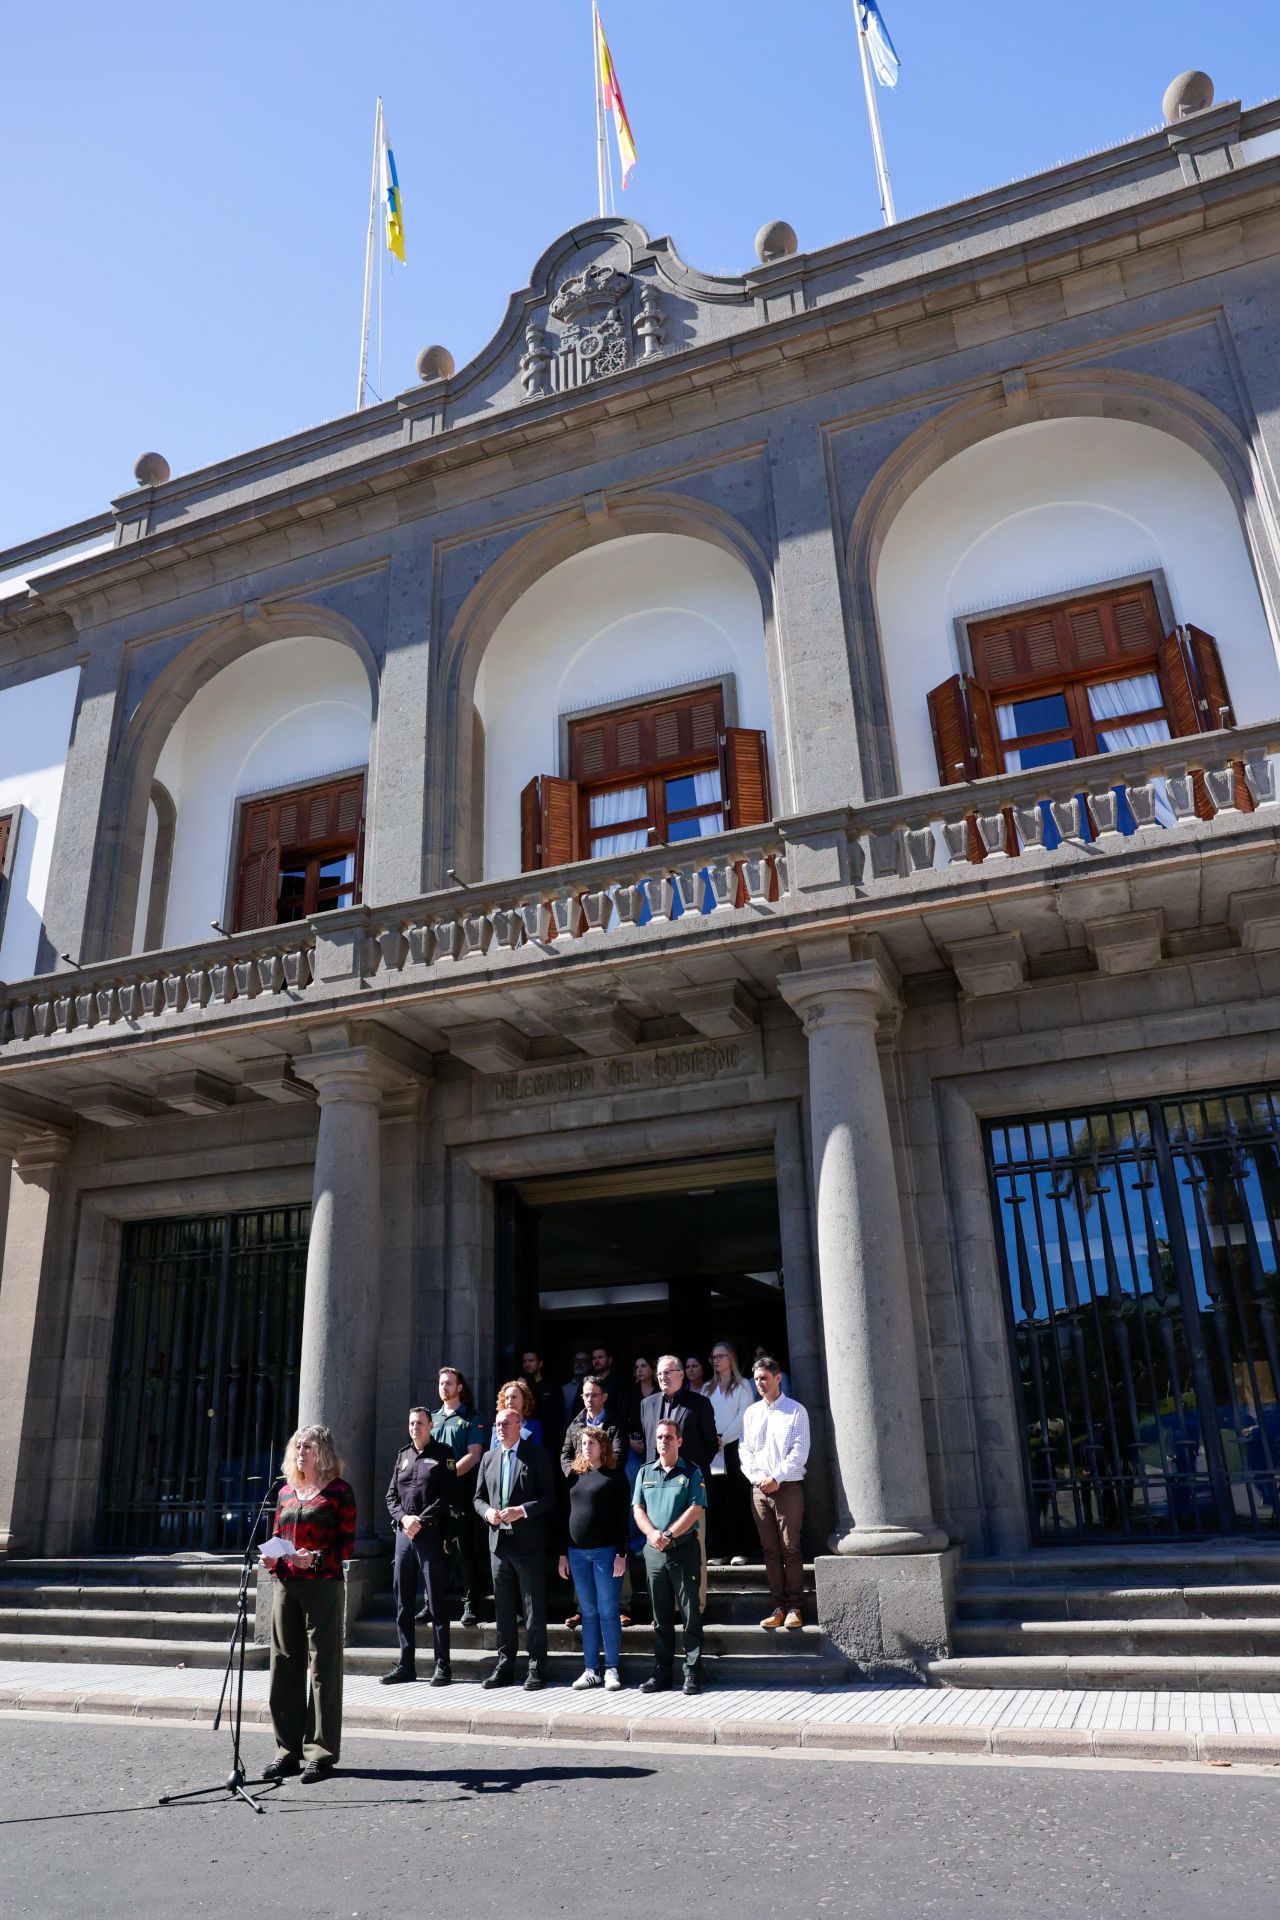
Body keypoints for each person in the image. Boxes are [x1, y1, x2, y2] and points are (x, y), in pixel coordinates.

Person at [262, 1425, 355, 1784]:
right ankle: (286, 1752)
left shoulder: (339, 1492)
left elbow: (347, 1545)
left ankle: (320, 1753)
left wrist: (314, 1558)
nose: (301, 1452)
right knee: (283, 1665)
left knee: (323, 1667)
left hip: (323, 1585)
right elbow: (276, 1536)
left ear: (323, 1453)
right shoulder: (285, 1492)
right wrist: (272, 1559)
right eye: (298, 1446)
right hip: (285, 1584)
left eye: (309, 1447)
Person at [474, 1404, 556, 1690]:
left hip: (528, 1543)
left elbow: (549, 1497)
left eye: (506, 1424)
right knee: (504, 1608)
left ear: (519, 1425)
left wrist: (522, 1510)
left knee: (533, 1607)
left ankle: (536, 1667)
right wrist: (486, 1513)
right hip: (499, 1543)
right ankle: (505, 1665)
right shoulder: (488, 1458)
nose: (500, 1428)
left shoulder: (537, 1455)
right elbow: (478, 1498)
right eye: (498, 1424)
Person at [382, 1406, 455, 1688]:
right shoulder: (403, 1455)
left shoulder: (443, 1454)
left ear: (431, 1425)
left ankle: (442, 1666)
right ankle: (406, 1664)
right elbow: (391, 1497)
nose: (415, 1428)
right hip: (404, 1537)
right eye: (411, 1423)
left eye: (420, 1423)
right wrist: (404, 1519)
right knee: (403, 1603)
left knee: (436, 1602)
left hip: (430, 1536)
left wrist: (419, 1521)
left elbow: (447, 1496)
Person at [633, 1418, 706, 1696]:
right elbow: (638, 1509)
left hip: (683, 1550)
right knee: (660, 1617)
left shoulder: (692, 1472)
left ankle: (692, 1672)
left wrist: (669, 1535)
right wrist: (653, 1535)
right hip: (654, 1553)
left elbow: (696, 1508)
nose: (664, 1441)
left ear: (679, 1441)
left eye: (669, 1437)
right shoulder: (644, 1472)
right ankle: (661, 1672)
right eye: (660, 1437)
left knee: (689, 1615)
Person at [740, 1354, 810, 1630]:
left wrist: (776, 1478)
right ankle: (778, 1606)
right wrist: (759, 1479)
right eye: (756, 1379)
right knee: (770, 1550)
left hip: (788, 1488)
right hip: (759, 1490)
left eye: (764, 1378)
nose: (760, 1383)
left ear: (777, 1378)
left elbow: (800, 1451)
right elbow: (745, 1451)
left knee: (790, 1547)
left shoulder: (796, 1411)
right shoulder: (751, 1413)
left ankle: (794, 1606)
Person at [558, 1426, 629, 1691]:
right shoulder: (574, 1476)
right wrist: (562, 1553)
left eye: (591, 1443)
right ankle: (591, 1669)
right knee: (587, 1612)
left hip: (606, 1552)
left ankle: (611, 1668)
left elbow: (623, 1518)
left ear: (602, 1446)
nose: (586, 1448)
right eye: (583, 1444)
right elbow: (563, 1515)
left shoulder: (615, 1476)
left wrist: (621, 1553)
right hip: (577, 1553)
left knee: (608, 1610)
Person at [433, 1366, 486, 1628]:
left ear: (459, 1387)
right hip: (432, 1496)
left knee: (464, 1549)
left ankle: (470, 1603)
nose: (445, 1387)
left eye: (449, 1383)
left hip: (459, 1493)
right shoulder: (431, 1419)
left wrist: (448, 1477)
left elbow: (474, 1455)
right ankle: (430, 1604)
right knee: (433, 1549)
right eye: (442, 1383)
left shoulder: (470, 1418)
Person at [705, 1343, 756, 1566]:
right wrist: (711, 1439)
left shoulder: (743, 1386)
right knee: (716, 1501)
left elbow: (744, 1415)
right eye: (713, 1357)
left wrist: (723, 1438)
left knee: (737, 1499)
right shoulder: (707, 1387)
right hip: (713, 1450)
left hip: (734, 1447)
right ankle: (719, 1550)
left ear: (731, 1359)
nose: (716, 1361)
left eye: (721, 1356)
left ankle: (740, 1549)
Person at [521, 1347, 564, 1451]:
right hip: (525, 1437)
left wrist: (550, 1433)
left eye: (531, 1361)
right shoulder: (519, 1386)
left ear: (540, 1364)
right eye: (525, 1361)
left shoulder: (552, 1386)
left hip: (547, 1441)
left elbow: (558, 1413)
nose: (527, 1364)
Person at [490, 1378, 542, 1448]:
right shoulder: (497, 1426)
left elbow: (537, 1454)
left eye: (513, 1397)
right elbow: (492, 1456)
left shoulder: (534, 1425)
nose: (509, 1402)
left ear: (525, 1400)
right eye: (507, 1398)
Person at [590, 1344, 630, 1412]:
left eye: (600, 1357)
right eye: (594, 1358)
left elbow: (623, 1409)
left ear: (610, 1360)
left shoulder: (619, 1383)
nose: (596, 1361)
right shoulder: (587, 1382)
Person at [562, 1349, 592, 1419]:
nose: (578, 1364)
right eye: (576, 1361)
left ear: (590, 1365)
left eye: (583, 1361)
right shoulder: (564, 1389)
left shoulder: (596, 1388)